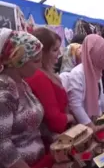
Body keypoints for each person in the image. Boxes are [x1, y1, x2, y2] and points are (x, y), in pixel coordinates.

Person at [0, 28, 53, 168]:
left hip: (40, 161)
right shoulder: (4, 94)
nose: (40, 65)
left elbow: (34, 121)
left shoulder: (22, 84)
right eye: (36, 61)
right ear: (18, 61)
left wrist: (53, 137)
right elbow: (3, 146)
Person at [26, 28, 75, 137]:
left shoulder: (47, 73)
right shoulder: (38, 77)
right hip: (57, 138)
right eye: (54, 50)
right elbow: (54, 119)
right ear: (42, 53)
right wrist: (71, 117)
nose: (59, 53)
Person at [67, 34, 104, 130]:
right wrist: (92, 127)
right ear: (95, 56)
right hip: (83, 128)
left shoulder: (96, 71)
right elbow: (75, 105)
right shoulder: (77, 74)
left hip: (93, 122)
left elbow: (100, 96)